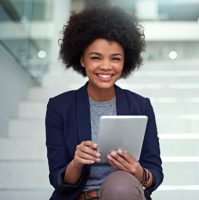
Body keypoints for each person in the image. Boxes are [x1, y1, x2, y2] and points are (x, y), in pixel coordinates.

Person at [45, 6, 163, 200]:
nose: (106, 66)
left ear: (125, 61)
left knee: (120, 185)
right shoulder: (59, 107)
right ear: (82, 59)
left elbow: (154, 174)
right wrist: (76, 162)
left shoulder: (140, 106)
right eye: (96, 57)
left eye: (115, 58)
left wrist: (139, 171)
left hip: (124, 195)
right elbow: (58, 178)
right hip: (78, 197)